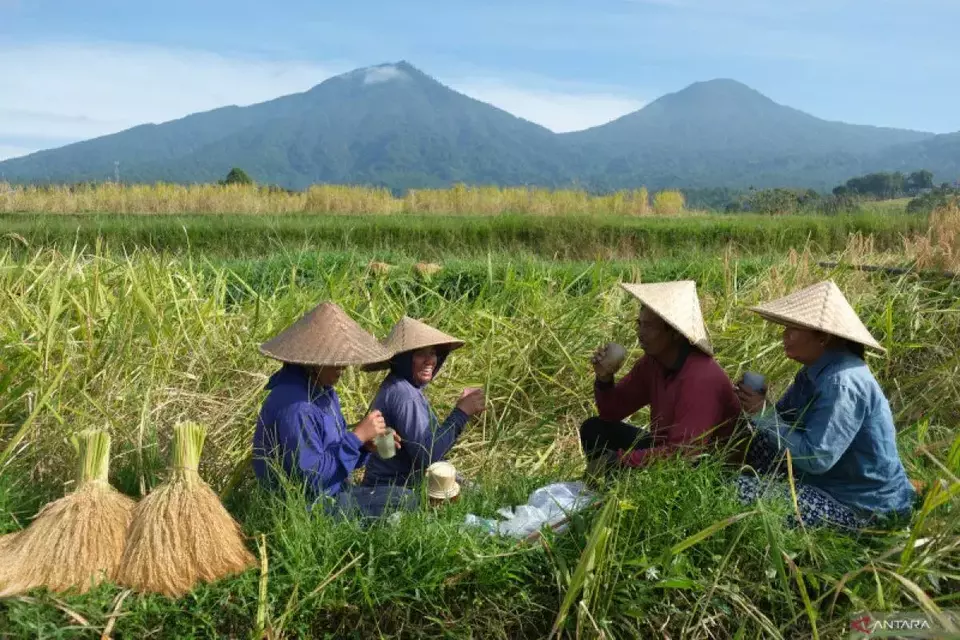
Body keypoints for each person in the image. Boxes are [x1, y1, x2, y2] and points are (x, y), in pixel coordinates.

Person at [735, 280, 915, 529]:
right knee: (746, 440)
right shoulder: (813, 372)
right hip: (829, 481)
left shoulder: (843, 383)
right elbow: (787, 420)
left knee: (736, 492)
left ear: (823, 337)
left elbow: (817, 458)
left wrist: (764, 414)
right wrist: (762, 405)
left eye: (792, 328)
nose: (784, 335)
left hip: (860, 506)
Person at [252, 301, 416, 519]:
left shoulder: (324, 392)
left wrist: (365, 447)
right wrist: (356, 437)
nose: (342, 367)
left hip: (334, 492)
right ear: (312, 362)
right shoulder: (297, 408)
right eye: (334, 361)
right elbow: (311, 479)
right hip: (310, 509)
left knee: (405, 498)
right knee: (404, 503)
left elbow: (335, 463)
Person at [580, 281, 741, 474]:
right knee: (594, 429)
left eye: (648, 326)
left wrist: (618, 461)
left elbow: (684, 454)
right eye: (639, 324)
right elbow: (611, 412)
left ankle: (618, 488)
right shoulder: (652, 364)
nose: (640, 333)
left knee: (618, 462)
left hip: (705, 468)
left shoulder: (701, 377)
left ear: (673, 333)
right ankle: (608, 488)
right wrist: (604, 377)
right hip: (667, 448)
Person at [362, 317, 486, 490]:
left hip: (400, 483)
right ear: (405, 359)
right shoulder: (403, 394)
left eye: (433, 353)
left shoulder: (402, 386)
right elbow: (428, 455)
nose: (430, 360)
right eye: (420, 354)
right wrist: (461, 413)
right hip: (391, 489)